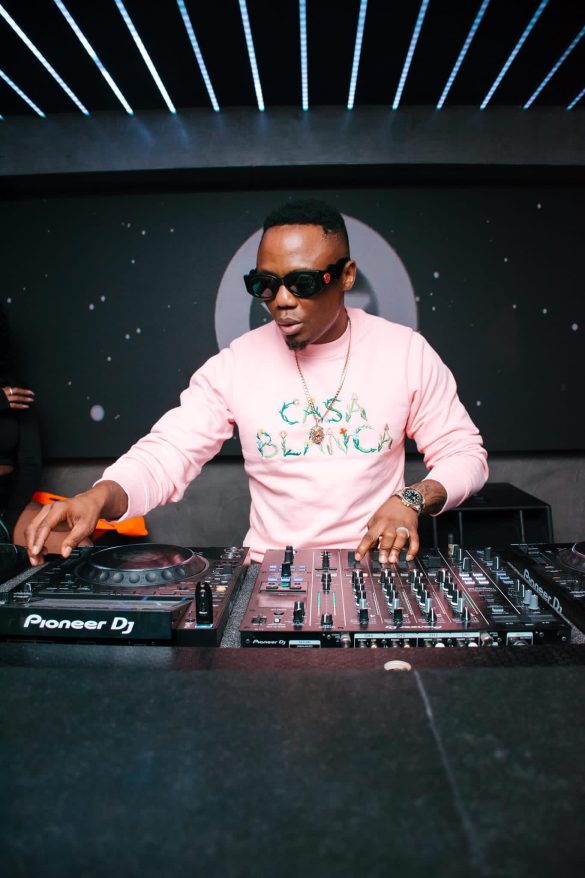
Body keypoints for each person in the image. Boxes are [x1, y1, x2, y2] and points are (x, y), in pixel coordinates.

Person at [25, 198, 488, 567]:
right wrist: (99, 496)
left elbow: (464, 453)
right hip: (270, 576)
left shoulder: (405, 352)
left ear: (346, 276)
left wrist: (411, 498)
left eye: (303, 283)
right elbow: (166, 454)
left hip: (373, 569)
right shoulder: (237, 364)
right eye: (266, 285)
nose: (281, 301)